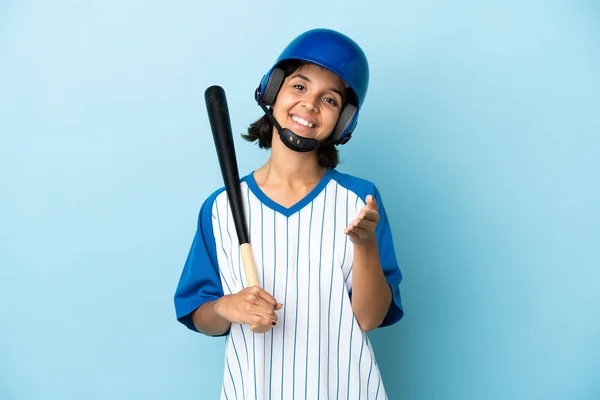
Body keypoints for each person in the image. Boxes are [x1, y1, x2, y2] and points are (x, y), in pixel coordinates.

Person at [174, 28, 404, 399]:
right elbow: (203, 318)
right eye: (299, 87)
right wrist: (228, 307)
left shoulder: (360, 200)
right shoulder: (220, 207)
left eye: (329, 99)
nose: (310, 105)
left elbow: (369, 318)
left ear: (343, 120)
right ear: (273, 90)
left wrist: (365, 246)